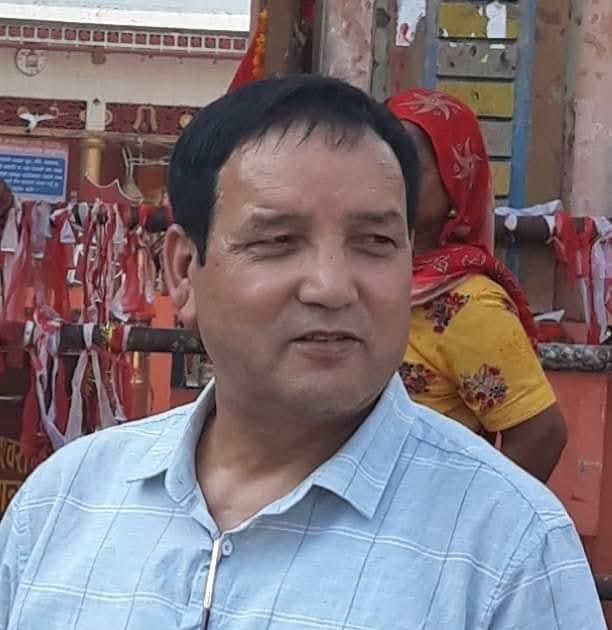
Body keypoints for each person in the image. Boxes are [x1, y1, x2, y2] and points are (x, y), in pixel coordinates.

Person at [0, 75, 604, 629]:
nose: (332, 287)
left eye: (375, 241)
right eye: (278, 242)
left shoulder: (513, 552)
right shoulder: (61, 506)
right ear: (183, 271)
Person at [387, 89, 567, 482]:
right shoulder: (349, 275)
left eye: (411, 165)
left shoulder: (467, 303)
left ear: (455, 186)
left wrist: (469, 514)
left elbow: (541, 435)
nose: (389, 175)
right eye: (382, 157)